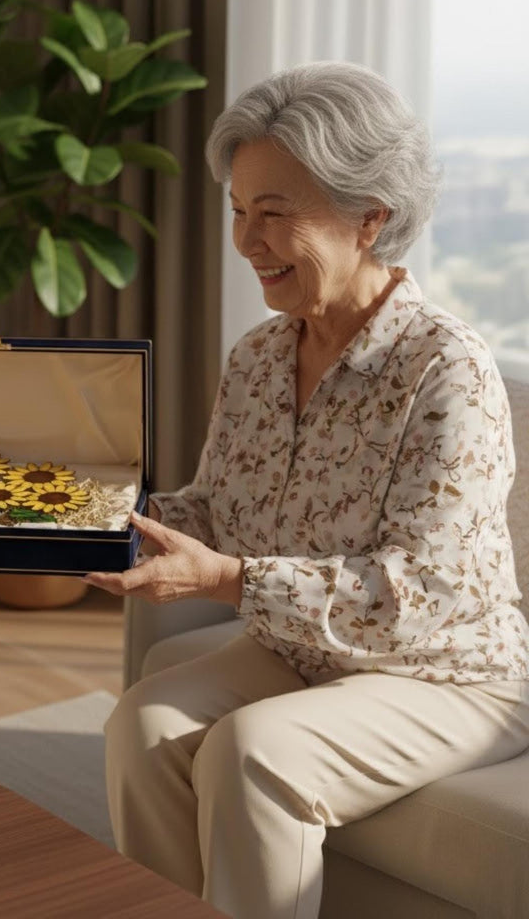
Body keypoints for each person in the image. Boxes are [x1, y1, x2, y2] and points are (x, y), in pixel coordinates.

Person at [88, 61, 529, 919]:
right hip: (304, 651)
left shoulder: (448, 371)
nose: (247, 242)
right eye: (238, 212)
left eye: (275, 215)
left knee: (252, 751)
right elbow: (217, 511)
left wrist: (225, 580)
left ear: (372, 218)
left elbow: (419, 595)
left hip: (449, 674)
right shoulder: (259, 357)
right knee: (141, 727)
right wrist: (89, 523)